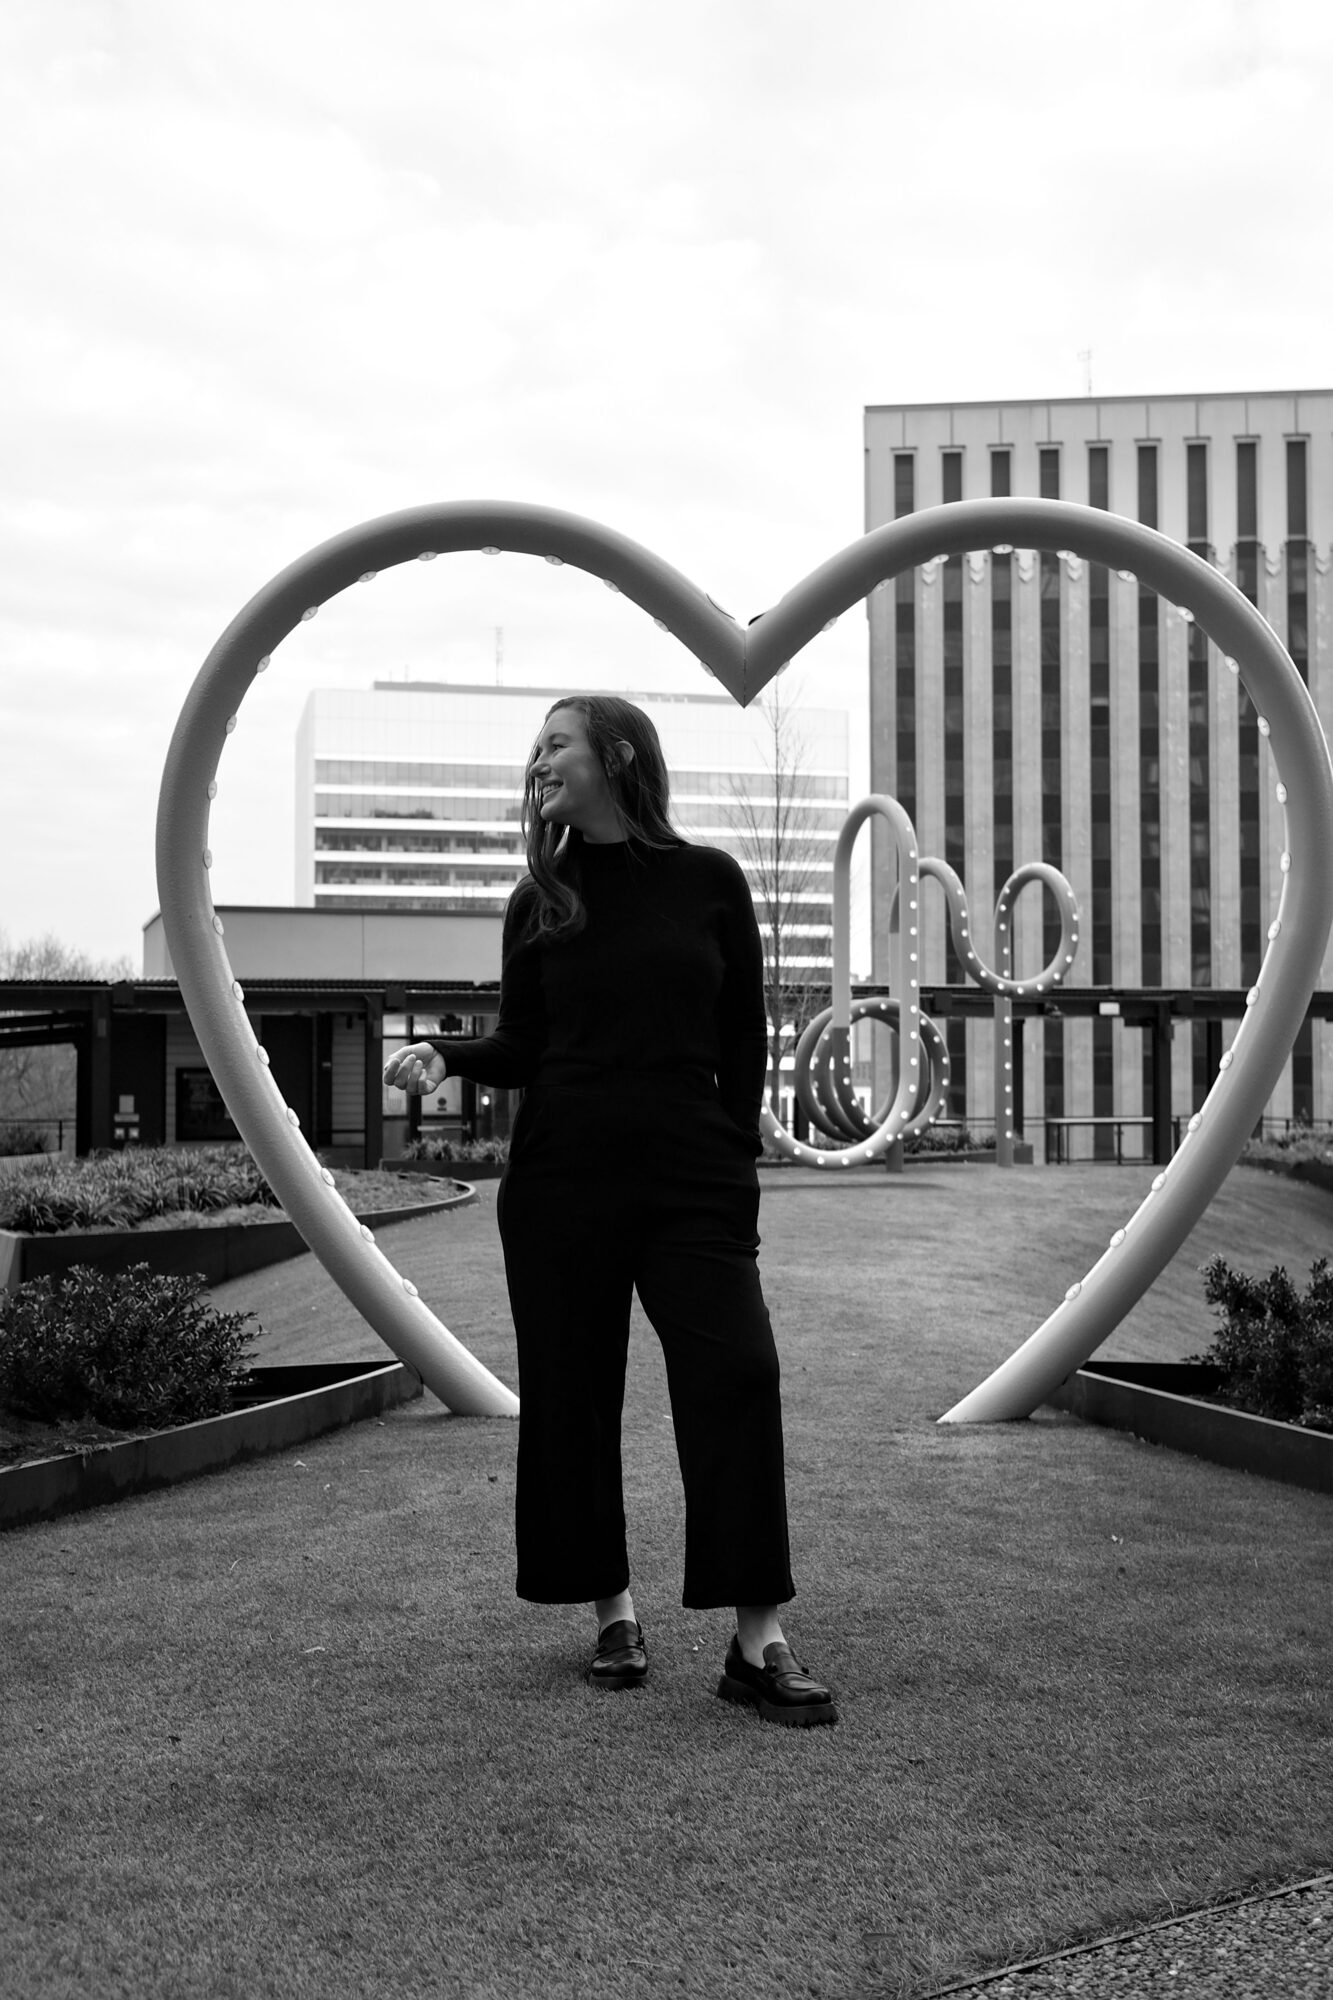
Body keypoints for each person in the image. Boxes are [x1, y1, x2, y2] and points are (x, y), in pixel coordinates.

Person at [383, 694, 836, 1727]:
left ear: (616, 754)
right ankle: (612, 1612)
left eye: (556, 743)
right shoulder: (538, 899)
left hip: (691, 1178)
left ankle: (755, 1637)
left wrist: (730, 1169)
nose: (537, 761)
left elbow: (744, 1049)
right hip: (560, 1185)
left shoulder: (710, 882)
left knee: (738, 1370)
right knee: (573, 1393)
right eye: (536, 748)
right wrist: (444, 1054)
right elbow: (523, 1047)